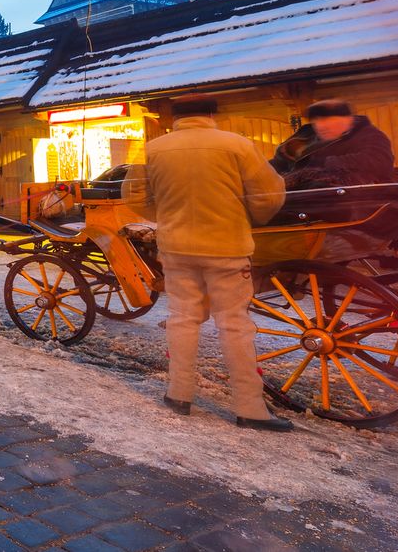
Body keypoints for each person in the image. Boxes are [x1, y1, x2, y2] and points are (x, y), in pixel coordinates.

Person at [123, 95, 291, 432]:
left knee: (182, 319)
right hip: (227, 247)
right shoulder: (238, 145)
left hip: (176, 248)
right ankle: (250, 408)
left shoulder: (154, 149)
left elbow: (134, 196)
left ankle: (179, 393)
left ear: (174, 117)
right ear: (212, 114)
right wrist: (247, 219)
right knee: (234, 324)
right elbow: (269, 196)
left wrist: (167, 218)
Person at [270, 99, 396, 188]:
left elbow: (379, 161)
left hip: (342, 201)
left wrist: (323, 163)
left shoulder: (368, 135)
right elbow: (277, 164)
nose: (319, 126)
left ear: (348, 119)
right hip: (292, 198)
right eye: (315, 120)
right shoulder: (304, 136)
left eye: (326, 119)